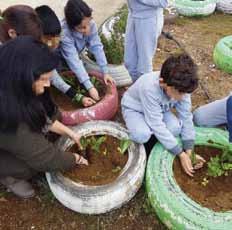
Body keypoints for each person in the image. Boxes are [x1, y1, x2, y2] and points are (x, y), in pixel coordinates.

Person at [0, 36, 88, 199]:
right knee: (28, 167)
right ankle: (9, 177)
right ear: (23, 78)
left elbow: (37, 114)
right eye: (44, 79)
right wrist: (74, 159)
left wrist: (69, 132)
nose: (48, 85)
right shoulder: (6, 115)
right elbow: (45, 159)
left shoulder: (11, 86)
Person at [121, 53, 205, 176]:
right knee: (141, 135)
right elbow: (156, 123)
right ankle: (140, 141)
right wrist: (180, 153)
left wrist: (189, 151)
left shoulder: (182, 87)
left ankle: (156, 137)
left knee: (175, 128)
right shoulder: (149, 88)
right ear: (162, 82)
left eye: (184, 93)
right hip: (135, 108)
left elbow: (186, 117)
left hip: (159, 110)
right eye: (179, 93)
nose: (182, 97)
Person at [0, 5, 94, 107]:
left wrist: (77, 96)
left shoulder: (26, 45)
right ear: (12, 33)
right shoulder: (8, 59)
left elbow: (52, 76)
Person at [35, 5, 95, 107]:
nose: (53, 43)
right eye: (49, 39)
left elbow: (55, 77)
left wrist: (80, 97)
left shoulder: (55, 33)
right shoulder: (32, 51)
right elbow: (53, 78)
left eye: (57, 36)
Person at [60, 0, 114, 102]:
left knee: (78, 72)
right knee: (65, 80)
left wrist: (105, 71)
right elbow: (73, 60)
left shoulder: (90, 23)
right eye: (82, 28)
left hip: (75, 55)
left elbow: (96, 46)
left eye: (89, 23)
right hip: (59, 59)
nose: (87, 29)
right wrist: (89, 86)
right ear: (72, 26)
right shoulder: (65, 33)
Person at [124, 0, 168, 82]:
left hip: (148, 19)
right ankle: (134, 87)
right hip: (133, 14)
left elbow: (163, 2)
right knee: (129, 60)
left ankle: (144, 90)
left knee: (144, 63)